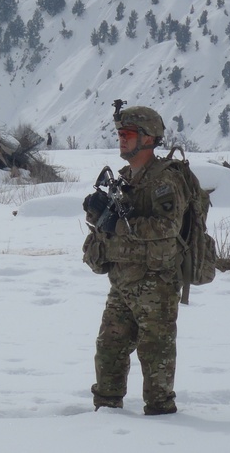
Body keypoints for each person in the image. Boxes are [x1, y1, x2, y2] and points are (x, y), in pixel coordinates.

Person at [84, 105, 192, 416]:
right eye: (119, 134)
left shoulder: (165, 181)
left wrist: (118, 225)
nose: (121, 140)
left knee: (154, 352)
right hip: (122, 279)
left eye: (127, 134)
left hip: (155, 282)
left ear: (148, 139)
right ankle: (106, 413)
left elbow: (167, 229)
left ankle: (161, 418)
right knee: (109, 350)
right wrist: (99, 214)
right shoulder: (126, 179)